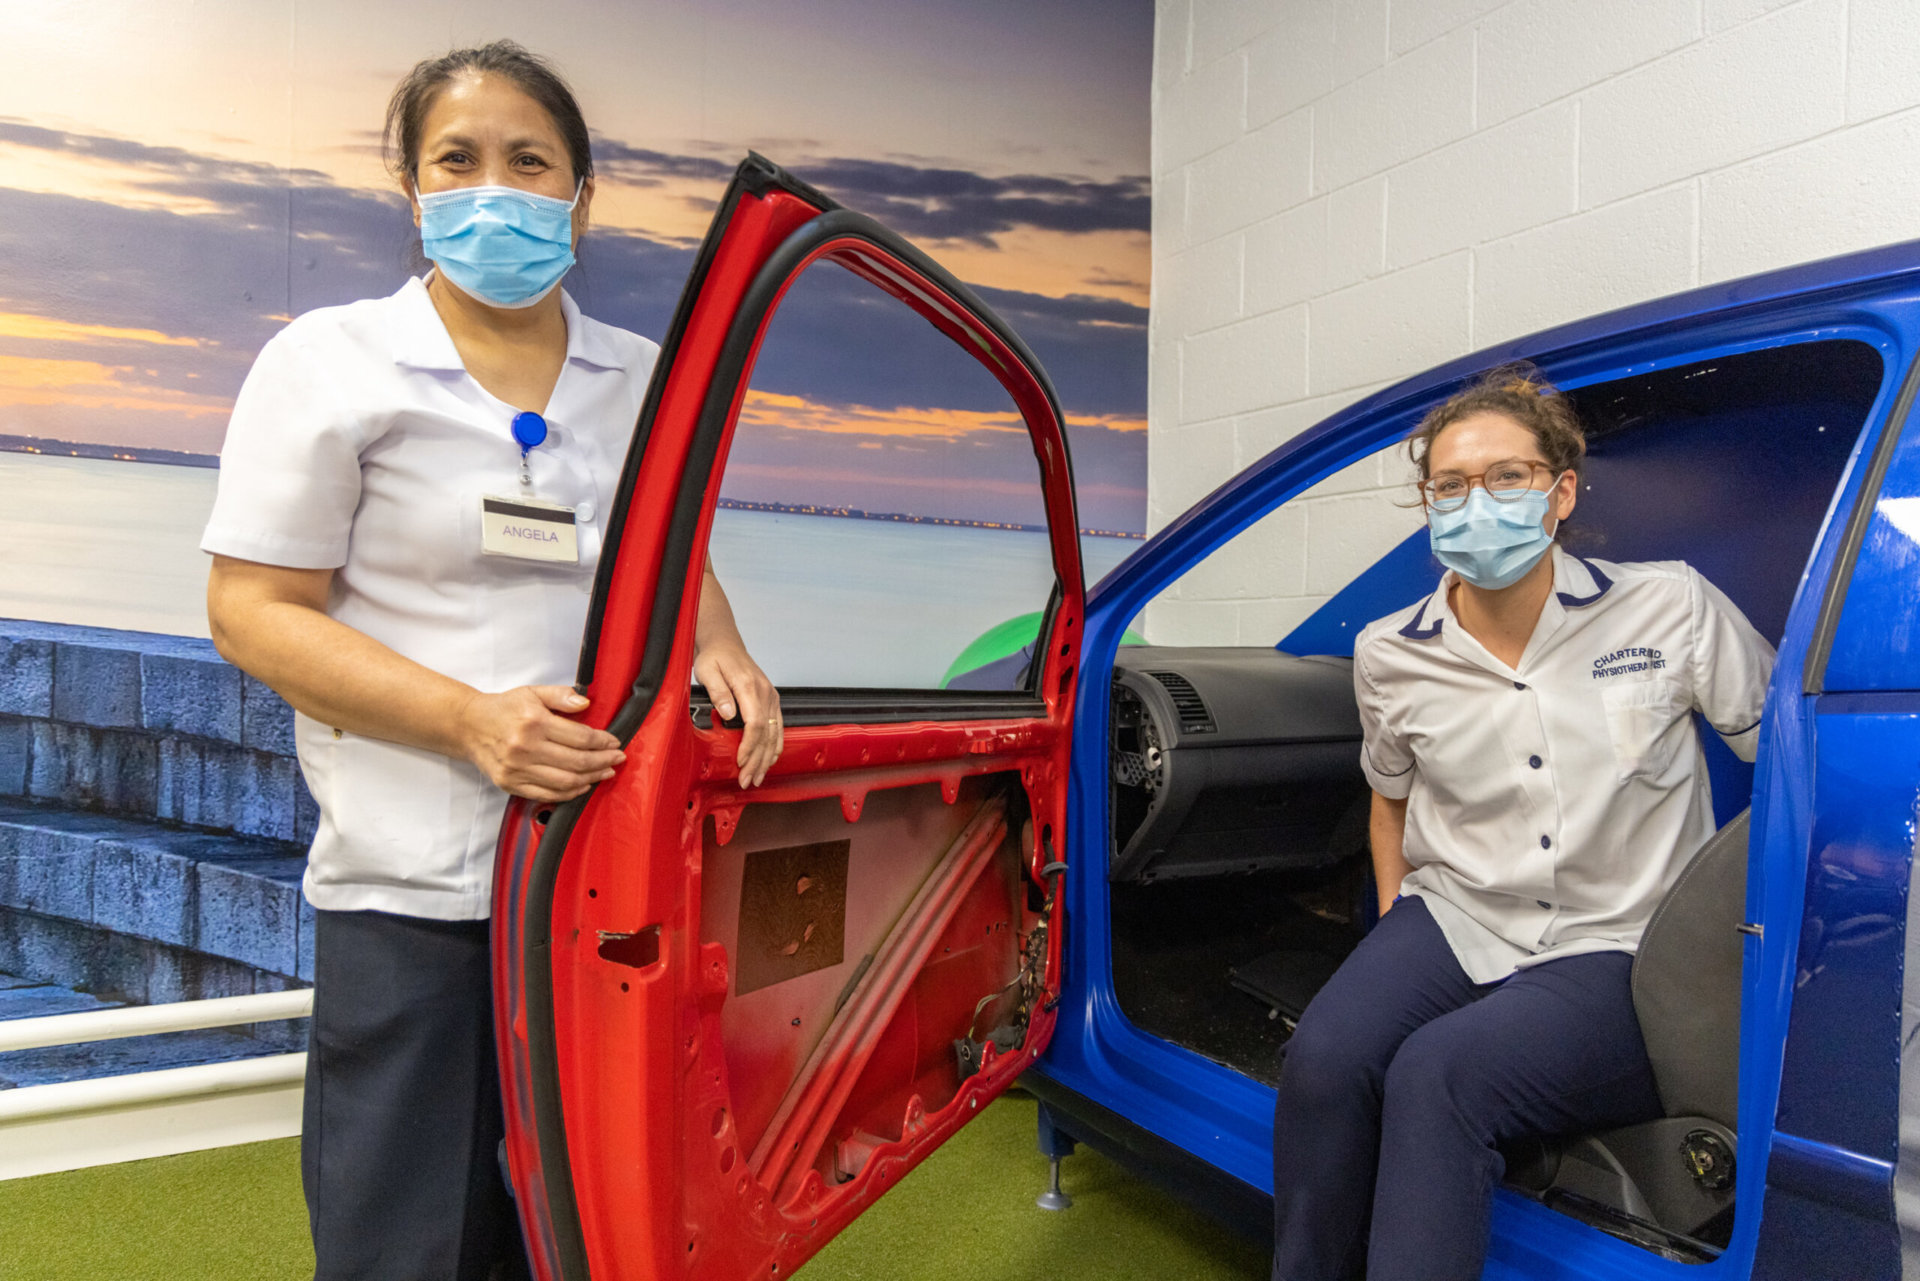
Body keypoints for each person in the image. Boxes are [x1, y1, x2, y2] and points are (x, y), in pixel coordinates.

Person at [201, 41, 782, 1280]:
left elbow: (671, 556)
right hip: (417, 893)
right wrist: (471, 721)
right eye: (457, 160)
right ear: (412, 190)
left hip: (610, 891)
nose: (493, 190)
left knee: (589, 1234)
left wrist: (721, 641)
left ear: (582, 195)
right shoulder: (329, 361)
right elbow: (252, 612)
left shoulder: (640, 378)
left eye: (529, 161)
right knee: (407, 1246)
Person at [1268, 367, 1775, 1281]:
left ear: (1560, 491)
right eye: (1451, 484)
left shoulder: (1669, 605)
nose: (1479, 501)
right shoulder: (1390, 651)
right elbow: (1390, 799)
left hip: (1618, 940)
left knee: (1441, 1074)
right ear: (1429, 504)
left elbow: (1792, 754)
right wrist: (1393, 921)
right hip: (1455, 912)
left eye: (1507, 475)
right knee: (1325, 1057)